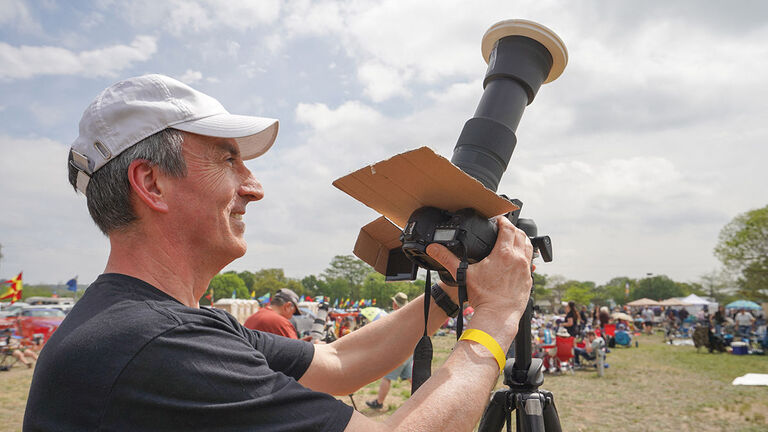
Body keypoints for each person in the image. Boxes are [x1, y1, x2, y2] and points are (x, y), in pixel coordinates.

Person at [24, 74, 535, 431]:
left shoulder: (167, 324)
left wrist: (450, 292)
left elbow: (338, 363)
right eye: (230, 161)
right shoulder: (155, 343)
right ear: (152, 183)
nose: (254, 187)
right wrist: (495, 317)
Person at [366, 292, 412, 410]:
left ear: (395, 304)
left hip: (398, 352)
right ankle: (424, 397)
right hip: (409, 351)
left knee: (387, 377)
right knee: (411, 377)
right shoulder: (410, 314)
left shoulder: (392, 316)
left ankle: (379, 402)